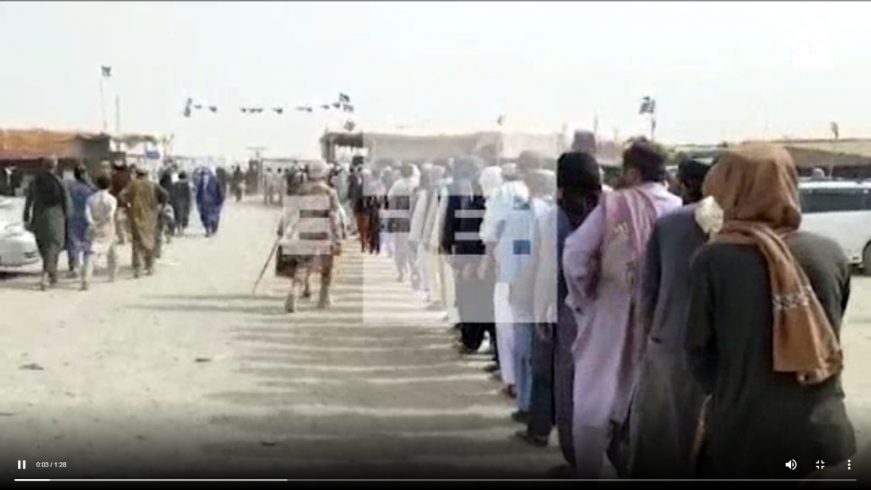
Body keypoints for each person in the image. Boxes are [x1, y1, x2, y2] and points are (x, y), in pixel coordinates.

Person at [686, 144, 855, 479]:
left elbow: (698, 354)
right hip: (823, 443)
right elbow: (829, 334)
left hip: (743, 445)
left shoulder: (713, 260)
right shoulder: (831, 253)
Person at [562, 140, 682, 478]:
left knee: (595, 394)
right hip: (661, 315)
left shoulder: (613, 204)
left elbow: (574, 255)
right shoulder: (679, 208)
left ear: (632, 171)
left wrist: (584, 297)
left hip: (611, 310)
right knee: (648, 396)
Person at [626, 159, 719, 478]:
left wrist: (649, 340)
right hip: (741, 365)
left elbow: (647, 295)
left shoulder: (671, 225)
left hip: (671, 351)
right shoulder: (786, 241)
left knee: (663, 445)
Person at [479, 152, 543, 399]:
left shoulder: (505, 192)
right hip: (538, 270)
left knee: (508, 326)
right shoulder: (548, 196)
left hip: (511, 269)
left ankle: (513, 381)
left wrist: (490, 259)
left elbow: (493, 231)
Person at [508, 168, 558, 445]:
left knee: (527, 350)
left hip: (532, 286)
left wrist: (517, 279)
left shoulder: (530, 210)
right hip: (548, 291)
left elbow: (522, 248)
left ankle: (528, 408)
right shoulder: (552, 210)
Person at [441, 156, 496, 358]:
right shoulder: (503, 206)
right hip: (491, 267)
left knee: (473, 302)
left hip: (475, 265)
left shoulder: (478, 206)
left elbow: (466, 236)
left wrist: (464, 261)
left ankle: (471, 341)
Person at [277, 160, 343, 312]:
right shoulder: (329, 192)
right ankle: (323, 298)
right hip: (324, 232)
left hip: (304, 231)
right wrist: (337, 238)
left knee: (303, 265)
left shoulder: (301, 190)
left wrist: (282, 229)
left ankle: (294, 291)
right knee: (327, 267)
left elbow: (290, 211)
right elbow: (334, 217)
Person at [23, 156, 70, 290]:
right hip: (56, 218)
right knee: (54, 247)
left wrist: (26, 218)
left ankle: (53, 275)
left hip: (39, 217)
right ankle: (45, 277)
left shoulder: (35, 182)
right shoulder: (59, 182)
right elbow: (66, 201)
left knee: (44, 247)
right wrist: (67, 217)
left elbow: (28, 201)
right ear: (54, 166)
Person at [119, 167, 169, 278]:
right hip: (151, 216)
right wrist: (161, 206)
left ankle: (138, 269)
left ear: (137, 174)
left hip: (136, 216)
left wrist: (128, 204)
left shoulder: (132, 184)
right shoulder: (153, 185)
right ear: (147, 174)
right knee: (150, 241)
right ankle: (150, 266)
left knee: (137, 242)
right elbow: (165, 194)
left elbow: (121, 195)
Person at [81, 174, 118, 290]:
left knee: (90, 253)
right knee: (112, 252)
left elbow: (86, 214)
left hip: (93, 228)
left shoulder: (91, 198)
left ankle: (86, 280)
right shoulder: (111, 199)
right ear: (110, 186)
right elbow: (110, 214)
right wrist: (103, 222)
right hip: (108, 228)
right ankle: (112, 275)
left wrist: (93, 223)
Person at [386, 163, 417, 282]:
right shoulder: (416, 183)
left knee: (400, 246)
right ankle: (414, 271)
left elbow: (390, 199)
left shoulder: (397, 184)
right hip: (413, 218)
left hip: (399, 218)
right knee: (413, 247)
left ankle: (401, 272)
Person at [65, 165, 96, 278]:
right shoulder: (90, 188)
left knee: (73, 243)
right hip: (87, 217)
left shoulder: (70, 186)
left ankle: (75, 266)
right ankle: (86, 266)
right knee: (87, 242)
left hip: (73, 216)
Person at [196, 166, 225, 237]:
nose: (205, 176)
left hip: (213, 202)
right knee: (204, 217)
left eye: (206, 174)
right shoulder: (201, 181)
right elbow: (199, 192)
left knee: (214, 217)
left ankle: (213, 229)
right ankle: (208, 229)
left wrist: (220, 201)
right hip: (204, 202)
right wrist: (198, 201)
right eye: (203, 174)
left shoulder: (215, 180)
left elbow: (219, 191)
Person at [110, 162, 132, 245]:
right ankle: (129, 236)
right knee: (127, 220)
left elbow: (112, 189)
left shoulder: (114, 177)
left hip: (118, 202)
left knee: (119, 221)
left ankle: (123, 238)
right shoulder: (129, 176)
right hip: (128, 201)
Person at [170, 171, 192, 236]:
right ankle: (182, 229)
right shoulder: (187, 185)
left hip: (176, 203)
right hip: (185, 203)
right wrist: (190, 204)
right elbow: (189, 195)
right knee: (184, 216)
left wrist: (172, 202)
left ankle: (179, 229)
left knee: (177, 217)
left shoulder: (174, 184)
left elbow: (172, 194)